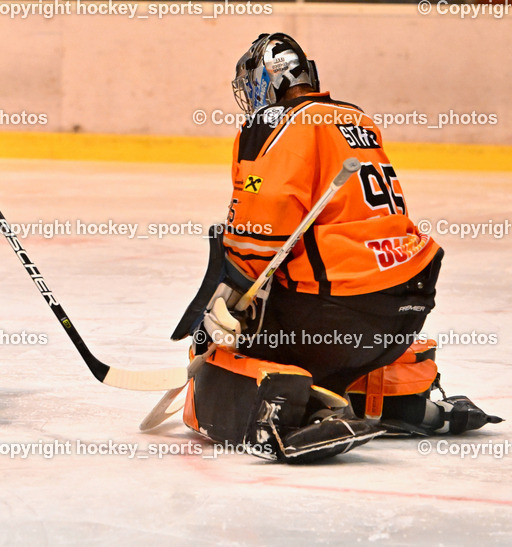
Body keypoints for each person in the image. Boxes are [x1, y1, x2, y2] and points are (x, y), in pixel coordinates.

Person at [173, 33, 500, 463]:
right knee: (331, 351)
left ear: (264, 81)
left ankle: (287, 413)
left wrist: (226, 303)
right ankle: (400, 401)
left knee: (216, 348)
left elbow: (260, 233)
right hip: (402, 315)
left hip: (332, 313)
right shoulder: (355, 117)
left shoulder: (271, 122)